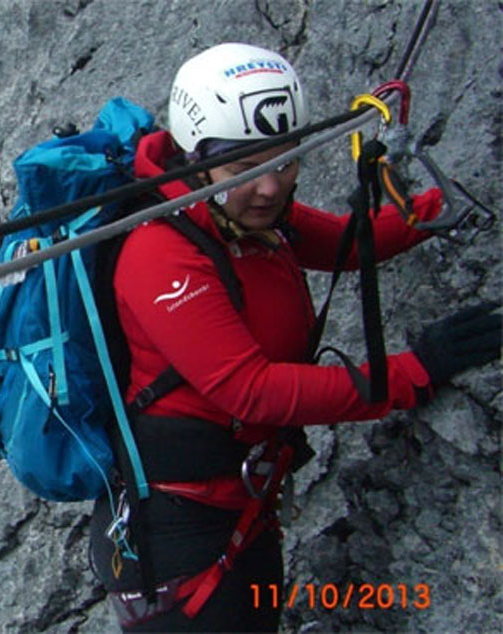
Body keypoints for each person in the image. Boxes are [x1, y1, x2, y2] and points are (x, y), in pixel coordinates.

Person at [87, 42, 501, 632]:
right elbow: (252, 391)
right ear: (194, 157)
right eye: (247, 170)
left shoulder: (237, 211)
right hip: (180, 540)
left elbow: (340, 242)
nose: (271, 187)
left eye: (287, 161)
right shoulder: (161, 251)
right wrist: (417, 371)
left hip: (240, 512)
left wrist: (434, 206)